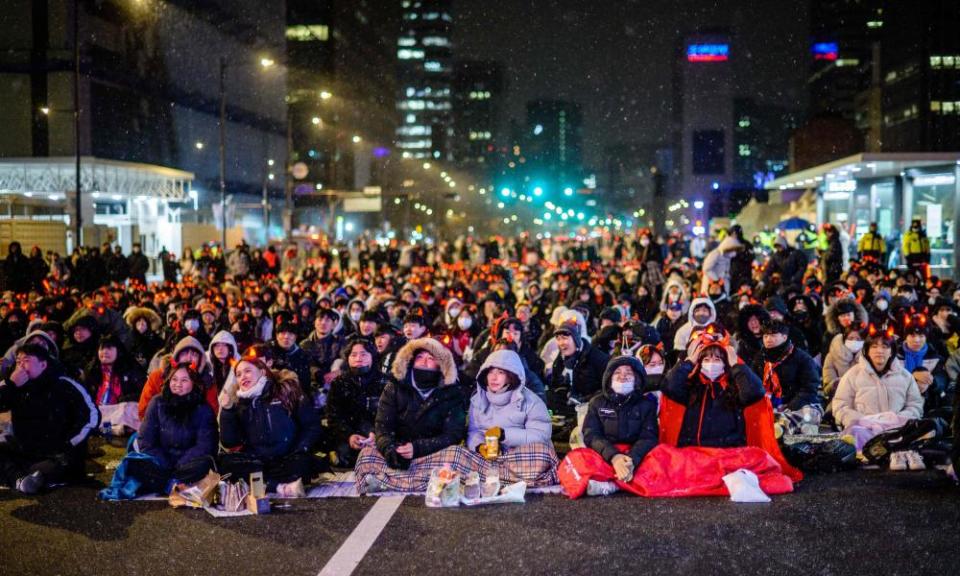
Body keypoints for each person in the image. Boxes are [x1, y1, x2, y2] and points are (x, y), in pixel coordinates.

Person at [354, 338, 466, 493]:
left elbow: (453, 434)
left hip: (433, 454)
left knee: (457, 455)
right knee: (366, 455)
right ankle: (428, 482)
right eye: (420, 358)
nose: (424, 362)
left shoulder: (451, 392)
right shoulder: (394, 387)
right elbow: (383, 426)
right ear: (411, 361)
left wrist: (418, 448)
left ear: (440, 365)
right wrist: (390, 449)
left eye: (430, 359)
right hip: (399, 450)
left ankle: (389, 481)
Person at [0, 343, 99, 494]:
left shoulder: (64, 384)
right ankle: (21, 480)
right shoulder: (14, 384)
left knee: (48, 468)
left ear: (43, 364)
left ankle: (22, 478)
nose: (20, 366)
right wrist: (11, 385)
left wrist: (70, 443)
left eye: (26, 361)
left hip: (59, 452)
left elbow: (92, 416)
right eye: (18, 361)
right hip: (27, 450)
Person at [219, 354, 324, 492]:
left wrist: (300, 449)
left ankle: (264, 484)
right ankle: (279, 487)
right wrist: (227, 411)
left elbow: (312, 425)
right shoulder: (239, 403)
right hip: (258, 461)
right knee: (225, 464)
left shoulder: (286, 391)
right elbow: (229, 442)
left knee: (303, 464)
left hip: (287, 457)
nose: (243, 376)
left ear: (262, 372)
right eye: (238, 374)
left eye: (248, 371)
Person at [112, 364, 217, 497]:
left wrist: (180, 465)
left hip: (188, 465)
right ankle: (170, 484)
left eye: (184, 380)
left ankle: (165, 482)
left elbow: (205, 445)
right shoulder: (157, 403)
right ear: (168, 381)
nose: (178, 384)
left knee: (205, 464)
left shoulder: (203, 408)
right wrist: (165, 463)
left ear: (193, 383)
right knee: (133, 464)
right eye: (174, 379)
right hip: (161, 462)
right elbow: (146, 441)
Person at [560, 356, 659, 498]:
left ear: (637, 378)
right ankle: (625, 484)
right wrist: (614, 457)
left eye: (628, 373)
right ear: (609, 377)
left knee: (662, 457)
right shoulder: (597, 402)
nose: (623, 376)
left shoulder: (646, 404)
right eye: (617, 372)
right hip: (605, 455)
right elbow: (591, 435)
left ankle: (611, 484)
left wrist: (632, 460)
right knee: (575, 459)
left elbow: (648, 437)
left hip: (635, 457)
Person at [832, 326, 924, 469]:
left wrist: (897, 419)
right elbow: (840, 405)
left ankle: (899, 455)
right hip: (865, 430)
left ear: (892, 351)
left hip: (897, 429)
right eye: (874, 346)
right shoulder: (853, 374)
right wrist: (863, 420)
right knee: (855, 432)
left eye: (885, 347)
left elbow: (915, 404)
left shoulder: (905, 376)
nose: (879, 351)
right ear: (867, 350)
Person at [464, 349, 557, 486]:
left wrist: (505, 435)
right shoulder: (477, 400)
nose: (494, 378)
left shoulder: (531, 401)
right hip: (488, 458)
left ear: (511, 376)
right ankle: (507, 477)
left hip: (520, 458)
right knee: (454, 452)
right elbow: (473, 431)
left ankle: (489, 476)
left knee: (543, 455)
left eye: (500, 372)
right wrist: (479, 447)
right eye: (491, 372)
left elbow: (541, 435)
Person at [325, 337, 389, 467]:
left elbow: (392, 415)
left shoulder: (386, 382)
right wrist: (349, 436)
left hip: (380, 435)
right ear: (347, 359)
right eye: (353, 355)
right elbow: (333, 416)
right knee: (344, 455)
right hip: (350, 436)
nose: (358, 359)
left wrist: (376, 434)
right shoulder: (339, 383)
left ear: (372, 357)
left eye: (364, 354)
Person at [752, 320, 822, 435]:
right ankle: (781, 427)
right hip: (768, 404)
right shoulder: (759, 358)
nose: (768, 339)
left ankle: (781, 427)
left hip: (798, 405)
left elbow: (809, 388)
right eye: (765, 336)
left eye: (773, 335)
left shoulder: (802, 358)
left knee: (809, 415)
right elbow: (753, 384)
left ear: (784, 337)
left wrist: (789, 406)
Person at [898, 314, 951, 420]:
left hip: (928, 405)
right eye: (912, 336)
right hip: (900, 404)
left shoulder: (935, 358)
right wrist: (913, 376)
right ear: (906, 336)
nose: (917, 340)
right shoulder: (895, 357)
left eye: (921, 336)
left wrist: (929, 381)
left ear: (926, 337)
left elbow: (942, 380)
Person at [822, 324, 866, 404]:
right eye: (851, 338)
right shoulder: (831, 357)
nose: (854, 341)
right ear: (844, 339)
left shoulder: (870, 357)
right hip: (839, 399)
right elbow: (827, 389)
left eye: (858, 339)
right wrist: (835, 384)